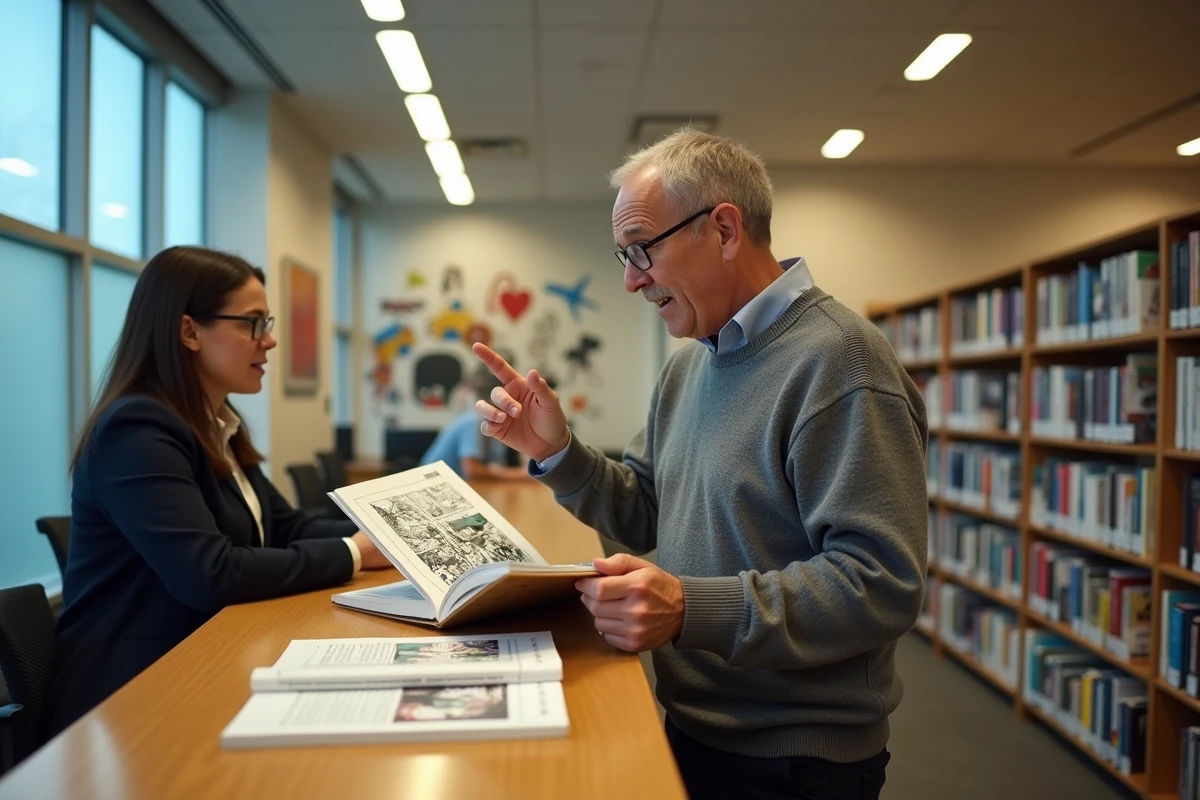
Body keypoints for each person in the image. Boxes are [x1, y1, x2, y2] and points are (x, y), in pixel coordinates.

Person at [471, 129, 928, 800]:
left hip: (797, 759)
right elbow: (648, 507)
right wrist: (557, 453)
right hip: (695, 721)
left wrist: (689, 607)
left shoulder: (841, 363)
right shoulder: (692, 362)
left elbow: (880, 583)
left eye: (641, 251)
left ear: (722, 229)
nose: (631, 280)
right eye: (623, 257)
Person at [45, 246, 392, 737]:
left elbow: (283, 525)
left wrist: (396, 533)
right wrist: (354, 552)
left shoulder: (214, 423)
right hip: (131, 694)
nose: (269, 341)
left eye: (266, 322)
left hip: (207, 650)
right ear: (189, 331)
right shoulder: (136, 430)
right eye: (252, 324)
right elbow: (209, 573)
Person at [419, 361, 530, 481]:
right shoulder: (473, 421)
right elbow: (472, 470)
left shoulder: (494, 423)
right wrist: (519, 474)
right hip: (429, 482)